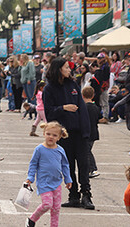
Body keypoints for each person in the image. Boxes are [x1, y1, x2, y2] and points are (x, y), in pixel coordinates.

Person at [43, 57, 94, 209]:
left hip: (80, 132)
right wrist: (63, 108)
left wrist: (86, 130)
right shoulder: (49, 89)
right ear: (58, 69)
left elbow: (82, 109)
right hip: (64, 134)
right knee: (68, 165)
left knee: (84, 165)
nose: (69, 70)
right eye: (66, 67)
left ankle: (86, 194)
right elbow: (49, 113)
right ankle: (73, 196)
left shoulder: (72, 84)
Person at [24, 121, 73, 227]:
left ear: (59, 137)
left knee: (56, 208)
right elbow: (33, 164)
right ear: (44, 134)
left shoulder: (60, 150)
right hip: (44, 183)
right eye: (48, 134)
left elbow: (65, 165)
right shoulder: (39, 149)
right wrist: (30, 178)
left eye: (54, 135)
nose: (51, 137)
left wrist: (68, 179)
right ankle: (32, 220)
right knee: (47, 204)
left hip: (56, 183)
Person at [82, 86, 100, 178]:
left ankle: (93, 169)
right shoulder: (95, 107)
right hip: (94, 132)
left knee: (87, 151)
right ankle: (90, 169)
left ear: (82, 95)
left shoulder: (84, 108)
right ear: (93, 96)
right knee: (87, 150)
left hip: (87, 132)